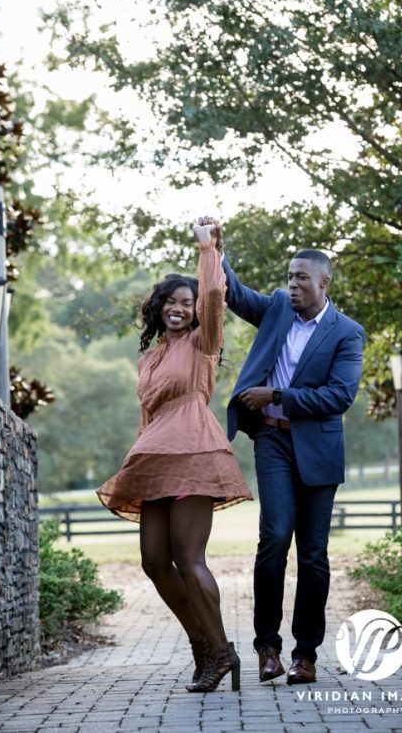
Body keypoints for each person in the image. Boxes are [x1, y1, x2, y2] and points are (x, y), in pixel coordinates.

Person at [96, 218, 253, 693]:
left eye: (186, 303)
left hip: (193, 454)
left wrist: (208, 250)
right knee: (153, 560)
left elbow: (212, 298)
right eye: (171, 302)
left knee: (189, 557)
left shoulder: (204, 345)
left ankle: (222, 651)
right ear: (159, 309)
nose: (180, 309)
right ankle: (202, 646)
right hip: (153, 458)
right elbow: (148, 415)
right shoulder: (150, 358)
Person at [221, 230, 365, 686]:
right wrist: (215, 251)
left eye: (302, 278)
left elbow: (339, 396)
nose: (293, 285)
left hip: (319, 448)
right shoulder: (279, 308)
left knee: (314, 555)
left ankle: (306, 654)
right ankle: (268, 647)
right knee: (275, 536)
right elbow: (236, 295)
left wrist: (278, 393)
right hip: (272, 441)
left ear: (324, 284)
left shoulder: (348, 333)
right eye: (289, 277)